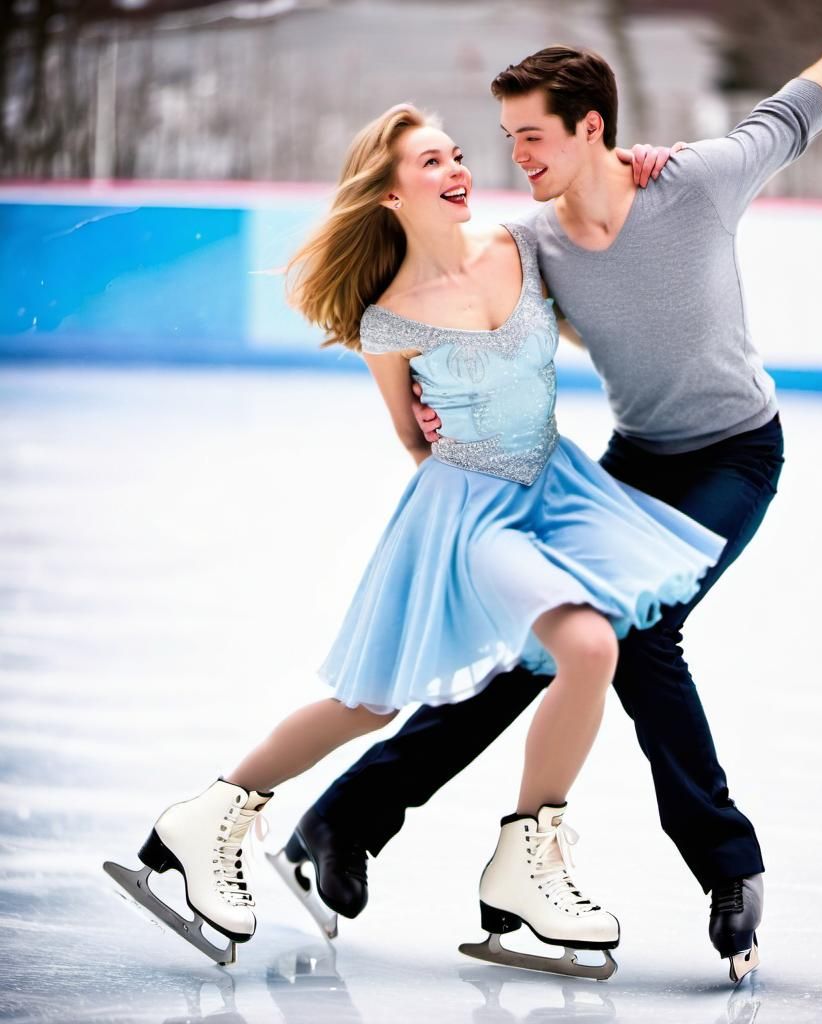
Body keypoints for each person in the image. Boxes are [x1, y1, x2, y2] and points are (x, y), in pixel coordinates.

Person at [278, 34, 822, 983]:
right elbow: (456, 303)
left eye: (531, 137)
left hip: (735, 454)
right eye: (506, 137)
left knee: (643, 636)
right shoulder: (530, 243)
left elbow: (786, 119)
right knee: (550, 645)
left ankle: (729, 868)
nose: (515, 157)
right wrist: (430, 392)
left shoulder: (695, 184)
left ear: (590, 128)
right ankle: (345, 820)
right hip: (636, 460)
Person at [103, 103, 729, 980]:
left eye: (456, 154)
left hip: (560, 491)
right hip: (470, 513)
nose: (457, 169)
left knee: (536, 661)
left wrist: (640, 165)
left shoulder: (519, 248)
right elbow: (413, 439)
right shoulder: (389, 319)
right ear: (391, 194)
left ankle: (224, 820)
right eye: (430, 161)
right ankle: (221, 816)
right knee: (418, 688)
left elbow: (602, 277)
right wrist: (453, 438)